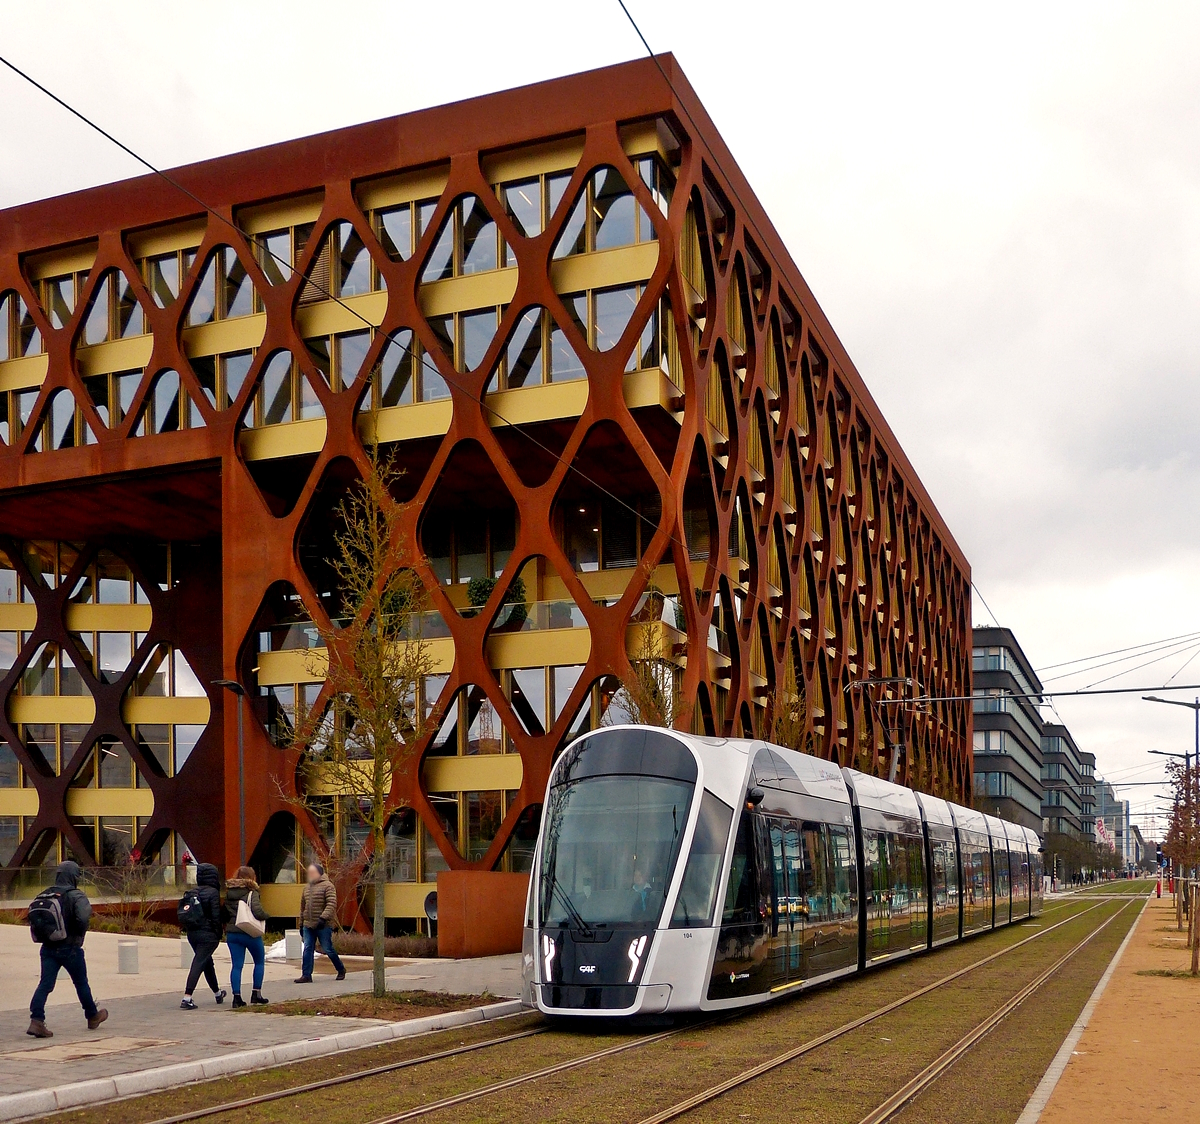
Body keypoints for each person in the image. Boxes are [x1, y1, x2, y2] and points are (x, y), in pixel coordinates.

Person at [27, 861, 108, 1038]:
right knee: (80, 983)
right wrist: (78, 935)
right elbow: (83, 918)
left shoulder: (45, 894)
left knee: (45, 984)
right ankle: (92, 1016)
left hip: (47, 947)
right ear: (74, 876)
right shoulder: (76, 895)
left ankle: (36, 1020)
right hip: (70, 947)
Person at [181, 863, 227, 1009]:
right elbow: (216, 916)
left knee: (207, 963)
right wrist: (218, 933)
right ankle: (187, 997)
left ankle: (218, 993)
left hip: (192, 934)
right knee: (199, 963)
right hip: (208, 936)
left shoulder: (192, 892)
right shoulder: (213, 893)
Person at [224, 866, 269, 1008]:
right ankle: (256, 994)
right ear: (251, 877)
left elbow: (224, 913)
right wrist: (266, 916)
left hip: (232, 933)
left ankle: (236, 998)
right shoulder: (252, 892)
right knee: (259, 962)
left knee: (237, 965)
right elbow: (257, 911)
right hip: (249, 933)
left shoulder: (229, 892)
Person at [295, 863, 345, 983]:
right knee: (307, 948)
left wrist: (323, 918)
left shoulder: (328, 886)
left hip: (323, 924)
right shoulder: (307, 888)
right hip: (308, 924)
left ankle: (341, 969)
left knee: (328, 948)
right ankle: (306, 975)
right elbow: (303, 907)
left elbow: (331, 903)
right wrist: (301, 923)